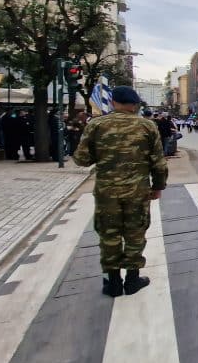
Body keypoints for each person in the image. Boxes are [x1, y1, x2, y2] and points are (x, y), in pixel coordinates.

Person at [72, 86, 168, 297]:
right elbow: (159, 163)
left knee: (109, 235)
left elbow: (82, 159)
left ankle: (112, 283)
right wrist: (158, 187)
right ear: (134, 105)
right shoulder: (147, 126)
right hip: (138, 192)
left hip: (107, 192)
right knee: (135, 233)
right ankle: (132, 280)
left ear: (113, 102)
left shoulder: (96, 124)